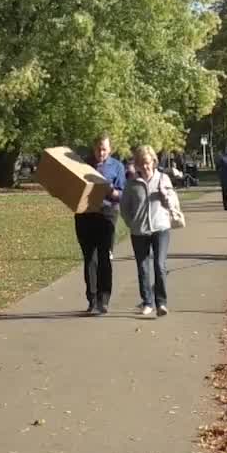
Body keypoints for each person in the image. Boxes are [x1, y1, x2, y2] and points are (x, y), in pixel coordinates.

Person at [121, 145, 175, 317]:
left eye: (148, 162)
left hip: (161, 228)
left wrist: (164, 196)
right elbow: (124, 208)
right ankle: (147, 302)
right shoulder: (132, 184)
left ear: (154, 161)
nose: (146, 166)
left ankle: (161, 303)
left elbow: (172, 204)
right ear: (137, 164)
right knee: (143, 268)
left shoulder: (163, 179)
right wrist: (132, 223)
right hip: (139, 231)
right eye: (142, 163)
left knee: (159, 265)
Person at [75, 135, 125, 315]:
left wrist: (110, 190)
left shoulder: (117, 167)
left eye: (104, 149)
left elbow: (122, 193)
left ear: (110, 149)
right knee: (90, 258)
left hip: (107, 215)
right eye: (98, 149)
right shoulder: (82, 165)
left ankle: (104, 299)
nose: (101, 153)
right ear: (93, 148)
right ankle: (92, 299)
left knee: (105, 256)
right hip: (85, 215)